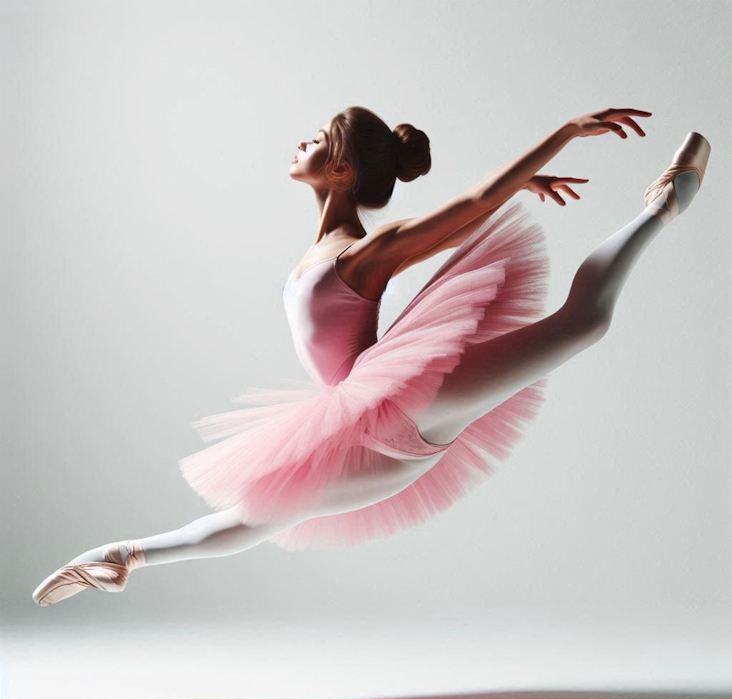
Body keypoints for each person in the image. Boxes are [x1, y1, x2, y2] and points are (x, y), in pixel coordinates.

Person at [32, 106, 711, 607]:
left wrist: (559, 136)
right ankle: (123, 556)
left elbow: (468, 205)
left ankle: (662, 204)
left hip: (401, 401)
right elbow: (467, 214)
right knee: (253, 517)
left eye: (315, 139)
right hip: (362, 439)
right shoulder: (320, 255)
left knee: (583, 322)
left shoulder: (363, 253)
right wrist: (515, 187)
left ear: (340, 169)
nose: (298, 140)